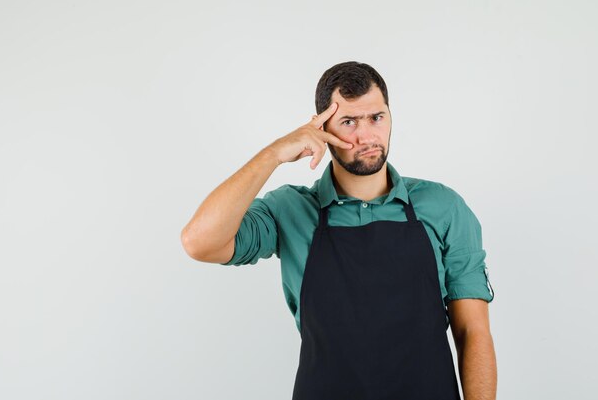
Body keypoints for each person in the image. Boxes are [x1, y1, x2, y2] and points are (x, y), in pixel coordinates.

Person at [181, 61, 497, 399]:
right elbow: (199, 242)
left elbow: (472, 330)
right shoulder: (289, 210)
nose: (367, 136)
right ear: (321, 129)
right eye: (348, 122)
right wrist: (273, 153)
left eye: (376, 117)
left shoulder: (443, 207)